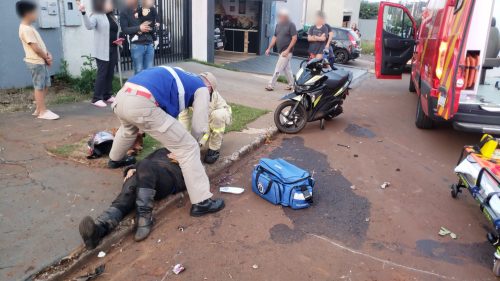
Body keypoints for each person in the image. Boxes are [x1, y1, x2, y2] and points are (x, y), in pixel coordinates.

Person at [108, 66, 225, 217]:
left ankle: (114, 160)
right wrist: (193, 143)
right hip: (142, 102)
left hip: (122, 96)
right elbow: (199, 125)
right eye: (210, 95)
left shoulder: (183, 74)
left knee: (128, 129)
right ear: (209, 87)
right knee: (188, 147)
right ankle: (202, 202)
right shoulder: (202, 88)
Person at [79, 148, 186, 248]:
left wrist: (183, 160)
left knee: (145, 166)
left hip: (168, 178)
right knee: (131, 187)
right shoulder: (162, 150)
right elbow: (142, 162)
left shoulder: (189, 153)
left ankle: (144, 217)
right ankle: (98, 230)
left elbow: (196, 175)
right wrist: (132, 169)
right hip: (145, 176)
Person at [16, 1, 59, 120]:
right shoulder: (25, 29)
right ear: (27, 13)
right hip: (35, 62)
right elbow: (35, 48)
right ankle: (42, 112)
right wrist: (46, 57)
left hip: (40, 60)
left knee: (45, 85)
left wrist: (47, 54)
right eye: (35, 12)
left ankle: (39, 108)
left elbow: (40, 45)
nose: (37, 15)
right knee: (39, 86)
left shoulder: (29, 27)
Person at [178, 72, 232, 164]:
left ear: (211, 89)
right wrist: (185, 140)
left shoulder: (210, 97)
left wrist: (199, 142)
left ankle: (214, 148)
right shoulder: (187, 93)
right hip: (208, 117)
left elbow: (204, 123)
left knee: (216, 118)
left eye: (208, 87)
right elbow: (183, 118)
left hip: (221, 113)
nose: (205, 88)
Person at [79, 0, 122, 108]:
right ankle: (96, 98)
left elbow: (116, 32)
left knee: (110, 73)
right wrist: (83, 13)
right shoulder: (97, 15)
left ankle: (107, 95)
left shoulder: (113, 17)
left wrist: (119, 40)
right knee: (102, 74)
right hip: (102, 50)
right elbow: (89, 26)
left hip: (113, 49)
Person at [265, 9, 297, 91]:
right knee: (287, 70)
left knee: (278, 68)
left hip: (286, 52)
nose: (281, 17)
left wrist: (287, 50)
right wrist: (269, 48)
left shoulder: (291, 25)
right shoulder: (278, 25)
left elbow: (294, 38)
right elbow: (275, 37)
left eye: (283, 16)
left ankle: (271, 85)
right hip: (280, 51)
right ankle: (292, 85)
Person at [120, 0, 156, 74]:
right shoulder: (124, 12)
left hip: (149, 43)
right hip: (137, 45)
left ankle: (148, 86)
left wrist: (150, 28)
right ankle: (138, 86)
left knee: (150, 72)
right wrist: (139, 28)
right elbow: (125, 30)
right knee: (139, 71)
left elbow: (154, 26)